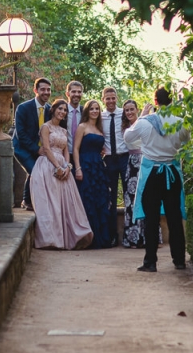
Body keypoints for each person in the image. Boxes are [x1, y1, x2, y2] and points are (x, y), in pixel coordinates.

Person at [124, 87, 191, 272]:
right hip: (171, 173)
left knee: (151, 219)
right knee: (174, 218)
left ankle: (150, 262)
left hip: (152, 174)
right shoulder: (180, 122)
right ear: (171, 101)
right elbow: (186, 143)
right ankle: (179, 260)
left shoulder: (145, 122)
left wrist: (141, 116)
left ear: (155, 102)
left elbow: (127, 137)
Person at [29, 99, 94, 250]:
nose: (62, 112)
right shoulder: (46, 127)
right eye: (60, 109)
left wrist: (67, 167)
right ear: (53, 110)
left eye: (65, 110)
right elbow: (46, 148)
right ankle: (51, 240)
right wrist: (57, 167)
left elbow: (66, 151)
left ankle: (67, 239)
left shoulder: (64, 131)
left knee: (64, 203)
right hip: (47, 166)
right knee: (51, 203)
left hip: (63, 168)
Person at [73, 99, 117, 248]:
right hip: (85, 165)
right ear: (87, 111)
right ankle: (88, 239)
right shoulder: (82, 127)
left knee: (100, 199)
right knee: (87, 199)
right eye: (91, 109)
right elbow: (76, 149)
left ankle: (101, 238)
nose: (94, 111)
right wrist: (78, 168)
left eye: (97, 109)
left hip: (98, 166)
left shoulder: (99, 129)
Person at [121, 99, 163, 249]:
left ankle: (150, 238)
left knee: (149, 199)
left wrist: (144, 116)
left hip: (146, 162)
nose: (129, 112)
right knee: (132, 200)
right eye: (127, 110)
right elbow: (130, 136)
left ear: (137, 109)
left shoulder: (146, 123)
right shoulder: (126, 127)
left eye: (132, 109)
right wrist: (142, 116)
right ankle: (134, 238)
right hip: (132, 165)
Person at [12, 78, 52, 211]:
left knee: (36, 171)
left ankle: (27, 200)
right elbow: (21, 134)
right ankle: (28, 200)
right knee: (35, 171)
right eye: (43, 89)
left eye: (48, 90)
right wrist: (36, 149)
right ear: (36, 90)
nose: (46, 92)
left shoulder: (50, 110)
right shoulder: (23, 108)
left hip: (41, 148)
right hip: (22, 148)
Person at [100, 87, 128, 242]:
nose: (111, 101)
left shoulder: (123, 114)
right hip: (109, 159)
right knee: (110, 197)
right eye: (108, 98)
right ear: (103, 99)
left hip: (124, 157)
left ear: (116, 98)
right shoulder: (100, 116)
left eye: (113, 98)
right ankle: (112, 235)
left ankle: (130, 234)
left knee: (128, 193)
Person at [65, 80, 85, 153]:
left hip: (82, 154)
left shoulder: (86, 112)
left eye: (79, 92)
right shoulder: (61, 111)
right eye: (73, 92)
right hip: (64, 154)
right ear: (67, 94)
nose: (76, 94)